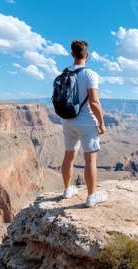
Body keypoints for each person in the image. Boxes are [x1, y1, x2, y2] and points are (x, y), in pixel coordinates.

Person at [60, 40, 107, 207]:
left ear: (72, 54)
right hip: (86, 122)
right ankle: (91, 196)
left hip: (67, 121)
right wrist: (101, 123)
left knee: (69, 157)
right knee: (90, 161)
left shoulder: (64, 73)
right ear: (87, 55)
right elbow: (94, 102)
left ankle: (67, 190)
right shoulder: (89, 74)